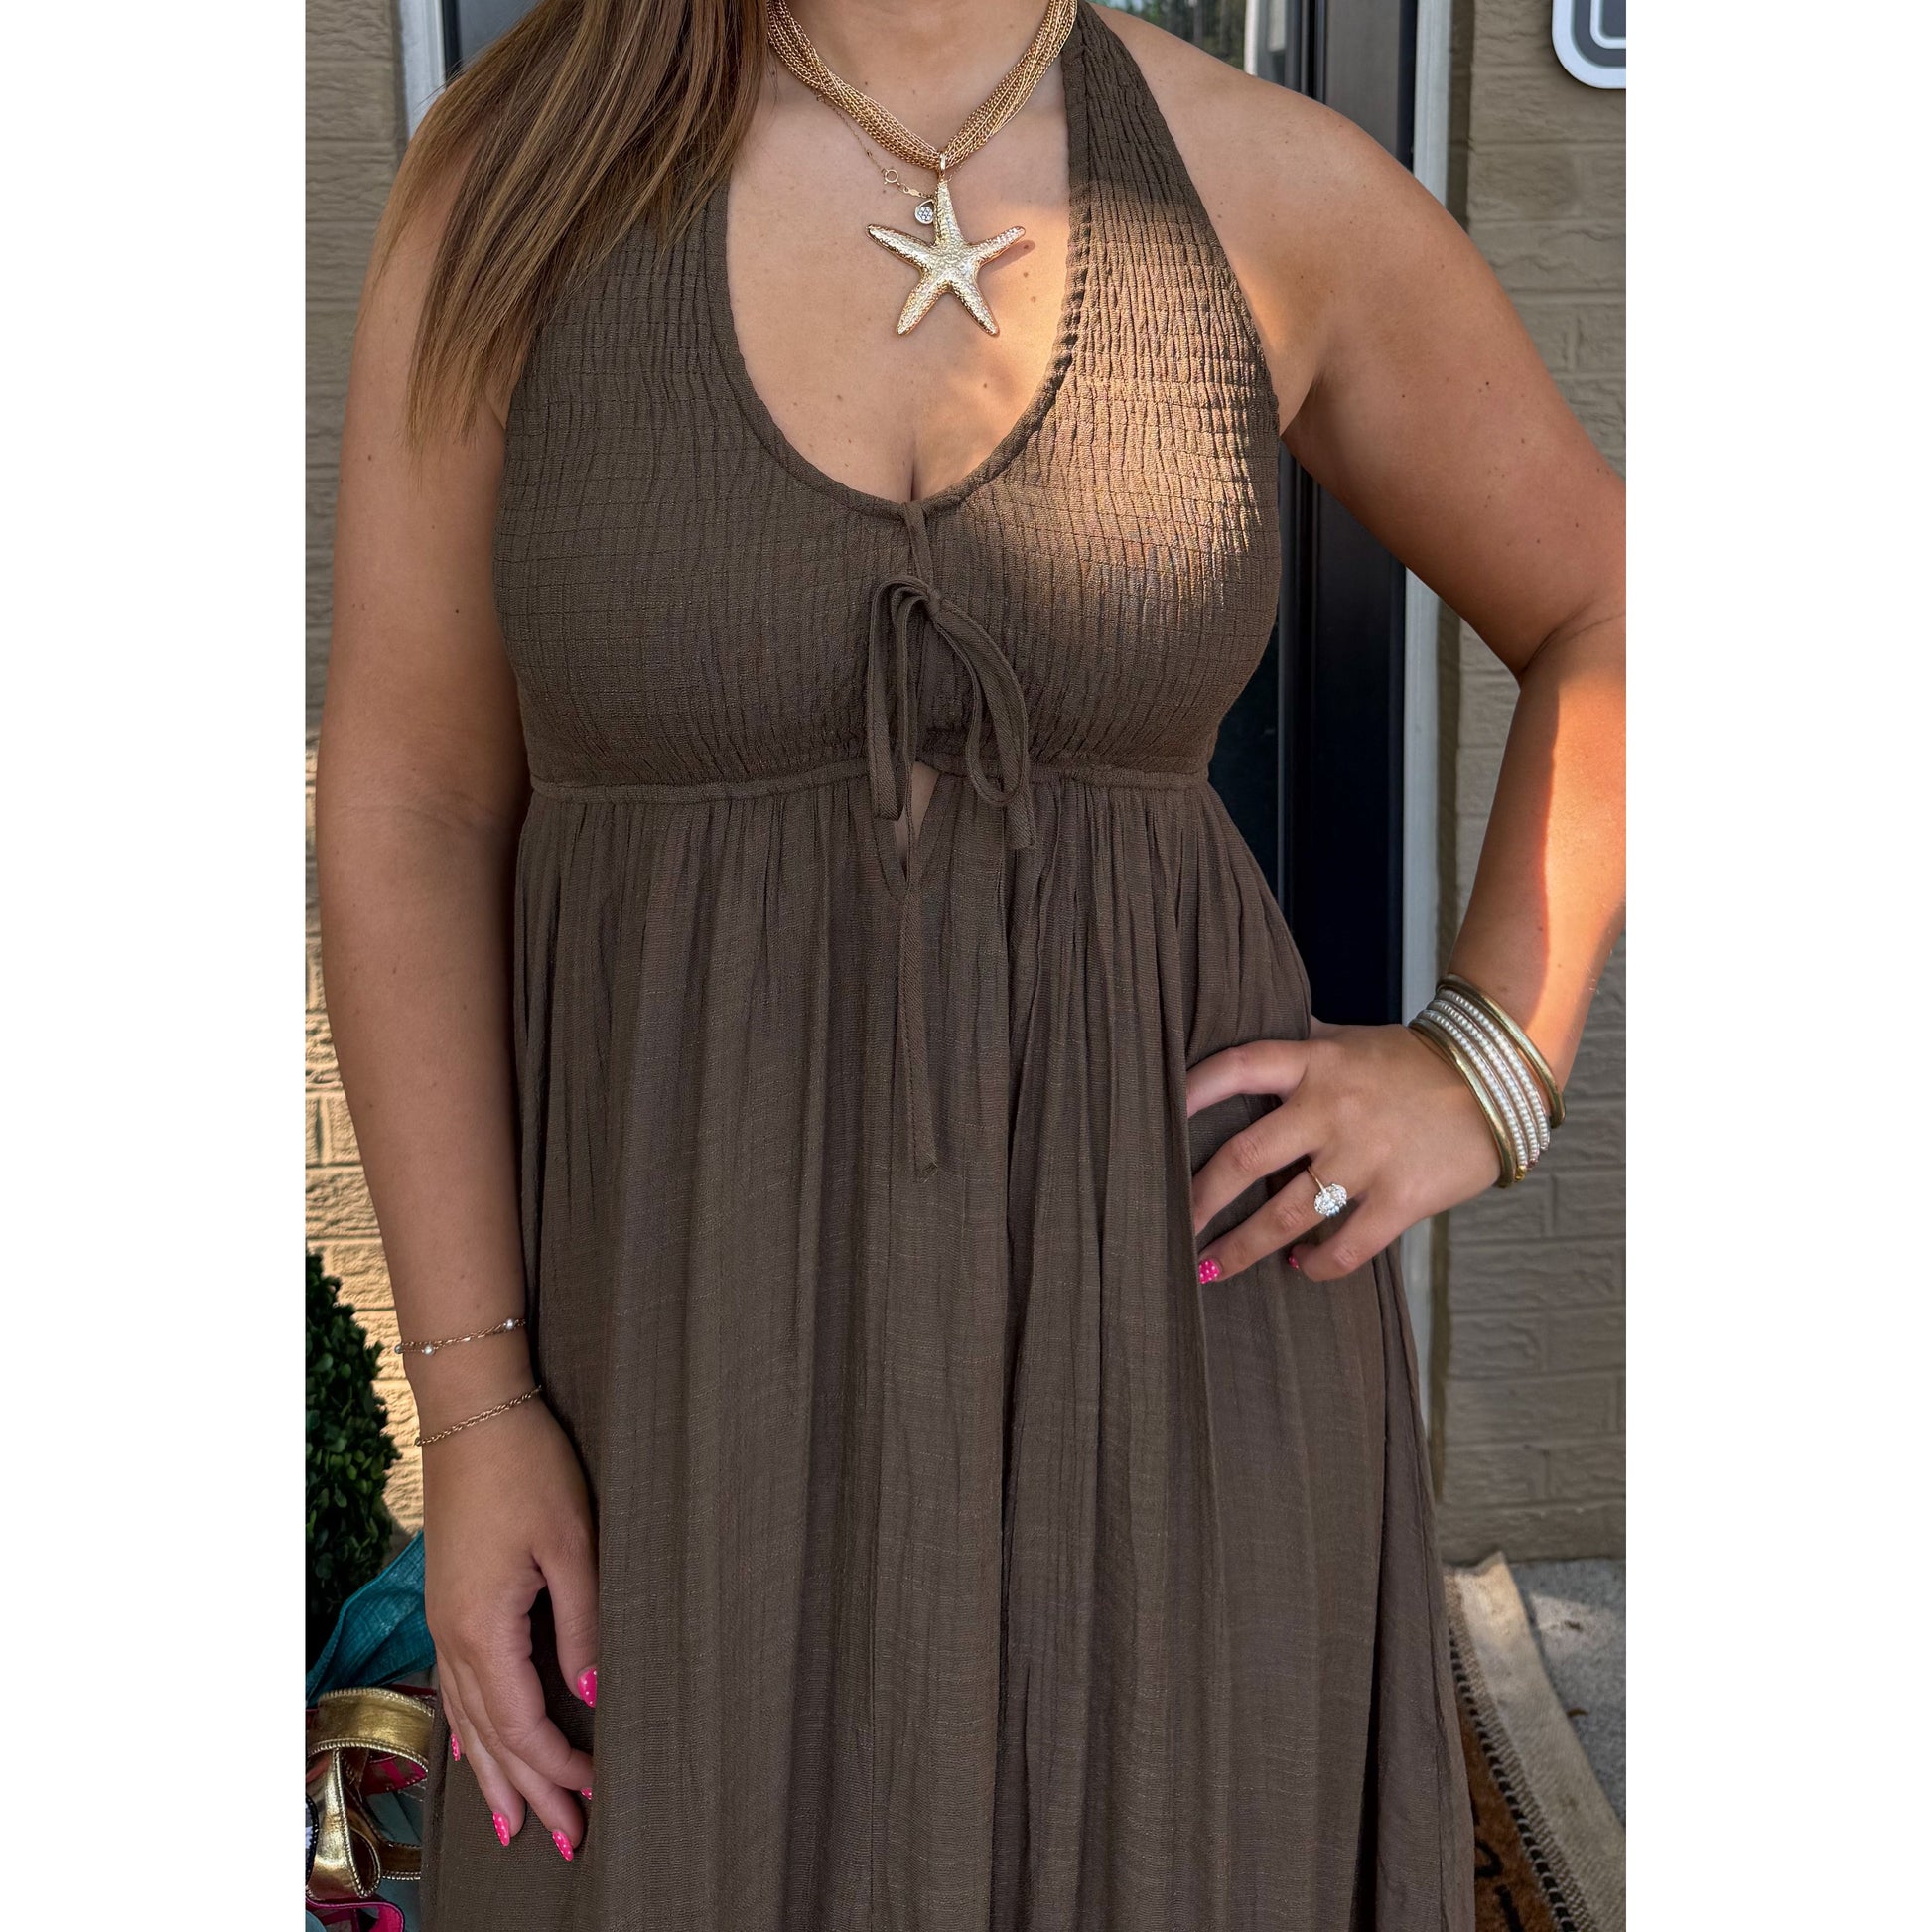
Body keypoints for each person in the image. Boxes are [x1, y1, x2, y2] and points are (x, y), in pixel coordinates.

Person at [317, 0, 1625, 1923]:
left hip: (1171, 1376)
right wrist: (477, 1405)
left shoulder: (1266, 187)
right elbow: (411, 804)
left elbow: (1609, 604)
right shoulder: (518, 181)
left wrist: (1486, 1061)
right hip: (679, 1375)